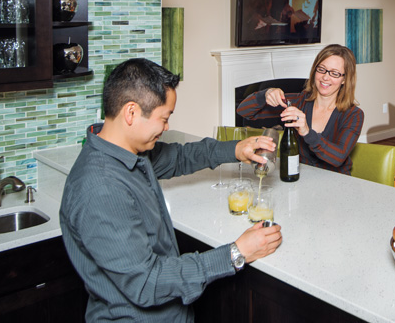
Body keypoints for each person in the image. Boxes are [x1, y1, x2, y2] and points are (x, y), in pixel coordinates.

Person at [60, 58, 282, 322]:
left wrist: (235, 149)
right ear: (131, 112)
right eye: (164, 118)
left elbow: (181, 157)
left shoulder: (128, 151)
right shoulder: (101, 187)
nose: (166, 128)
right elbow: (148, 283)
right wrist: (235, 253)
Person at [236, 44, 364, 174]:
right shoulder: (297, 102)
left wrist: (307, 132)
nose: (325, 77)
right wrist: (265, 95)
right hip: (301, 179)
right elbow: (244, 111)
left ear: (344, 79)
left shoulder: (353, 115)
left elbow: (338, 157)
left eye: (334, 73)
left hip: (337, 182)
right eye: (322, 69)